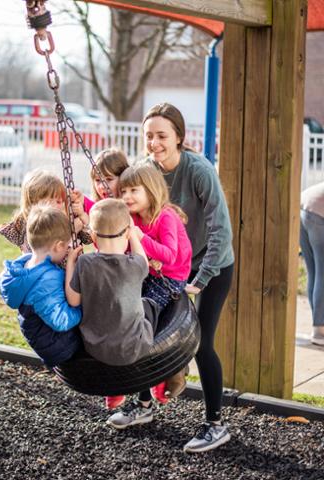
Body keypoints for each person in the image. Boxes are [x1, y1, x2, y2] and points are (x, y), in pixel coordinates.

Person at [141, 103, 234, 453]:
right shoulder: (146, 171)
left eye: (162, 135)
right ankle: (144, 404)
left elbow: (220, 229)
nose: (154, 142)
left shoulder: (198, 171)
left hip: (213, 264)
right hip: (170, 264)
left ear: (179, 137)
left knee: (201, 343)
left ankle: (215, 424)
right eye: (149, 135)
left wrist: (203, 277)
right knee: (146, 327)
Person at [65, 198, 165, 429]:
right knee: (149, 303)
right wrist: (133, 236)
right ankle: (164, 376)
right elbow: (142, 257)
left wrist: (71, 262)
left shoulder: (86, 263)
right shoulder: (135, 265)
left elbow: (73, 299)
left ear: (93, 234)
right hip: (133, 348)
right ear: (127, 232)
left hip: (95, 349)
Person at [119, 163, 192, 402]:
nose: (126, 196)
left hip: (170, 278)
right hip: (151, 272)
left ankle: (175, 369)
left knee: (146, 314)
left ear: (150, 191)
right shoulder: (135, 217)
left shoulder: (166, 217)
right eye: (123, 192)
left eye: (133, 190)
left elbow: (170, 255)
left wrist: (140, 237)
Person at [70, 148, 132, 410]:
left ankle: (122, 384)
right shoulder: (98, 207)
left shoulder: (128, 205)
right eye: (97, 180)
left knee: (119, 327)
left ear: (124, 177)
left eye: (109, 179)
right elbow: (92, 209)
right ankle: (110, 384)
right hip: (104, 276)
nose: (102, 185)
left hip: (127, 275)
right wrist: (76, 203)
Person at [0, 205, 82, 367]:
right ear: (58, 246)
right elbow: (61, 321)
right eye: (66, 246)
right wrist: (82, 312)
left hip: (37, 336)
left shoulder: (23, 267)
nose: (67, 251)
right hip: (57, 346)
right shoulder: (49, 279)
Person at [0, 168, 91, 253]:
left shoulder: (64, 217)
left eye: (59, 201)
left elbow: (90, 238)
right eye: (50, 202)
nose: (57, 206)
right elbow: (47, 256)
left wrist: (82, 216)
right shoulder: (33, 226)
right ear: (32, 203)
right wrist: (71, 231)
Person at [300, 182, 324, 346]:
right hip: (317, 215)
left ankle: (318, 325)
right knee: (322, 273)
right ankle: (319, 331)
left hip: (303, 209)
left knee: (314, 272)